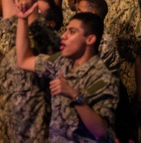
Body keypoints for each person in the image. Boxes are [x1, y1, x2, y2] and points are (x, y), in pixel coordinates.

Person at [15, 9, 119, 143]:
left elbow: (100, 131)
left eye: (72, 32)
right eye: (66, 30)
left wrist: (74, 96)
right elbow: (23, 61)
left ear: (90, 39)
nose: (64, 36)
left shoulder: (103, 78)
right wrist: (22, 20)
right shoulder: (62, 62)